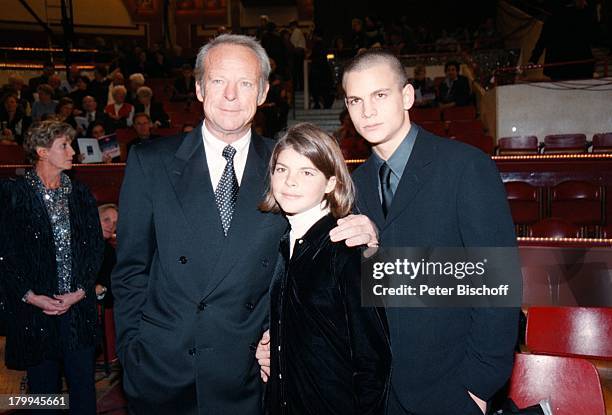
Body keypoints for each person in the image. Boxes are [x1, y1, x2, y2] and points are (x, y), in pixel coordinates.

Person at [112, 33, 376, 415]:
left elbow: (318, 249)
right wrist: (132, 352)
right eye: (219, 81)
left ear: (264, 91)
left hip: (248, 373)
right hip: (162, 371)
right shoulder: (150, 162)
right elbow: (131, 271)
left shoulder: (286, 165)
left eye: (246, 83)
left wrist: (365, 232)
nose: (231, 95)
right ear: (200, 88)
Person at [341, 49, 518, 414]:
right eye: (355, 100)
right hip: (379, 394)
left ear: (407, 97)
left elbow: (497, 285)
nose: (367, 111)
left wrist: (478, 386)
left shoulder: (466, 167)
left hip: (452, 390)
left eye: (379, 95)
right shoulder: (353, 187)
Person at [259, 123, 391, 414]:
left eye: (307, 172)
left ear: (331, 183)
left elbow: (373, 361)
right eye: (282, 170)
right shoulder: (284, 243)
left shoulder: (351, 246)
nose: (290, 182)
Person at [0, 120, 104, 414]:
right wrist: (30, 296)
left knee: (82, 388)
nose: (73, 151)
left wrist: (80, 292)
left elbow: (95, 248)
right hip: (34, 311)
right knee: (43, 394)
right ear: (42, 151)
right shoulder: (13, 194)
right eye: (64, 145)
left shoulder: (80, 193)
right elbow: (5, 254)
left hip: (77, 310)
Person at [96, 203, 118, 308]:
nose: (111, 226)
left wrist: (102, 289)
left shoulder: (110, 252)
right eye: (106, 220)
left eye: (115, 223)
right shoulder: (76, 244)